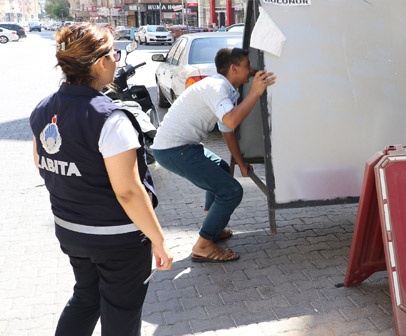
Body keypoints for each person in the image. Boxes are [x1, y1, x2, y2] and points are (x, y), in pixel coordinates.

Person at [29, 23, 173, 336]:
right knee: (121, 310)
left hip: (71, 231)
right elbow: (129, 193)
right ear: (99, 63)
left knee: (85, 298)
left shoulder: (42, 109)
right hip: (117, 238)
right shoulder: (109, 118)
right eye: (114, 54)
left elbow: (42, 163)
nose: (118, 60)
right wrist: (158, 240)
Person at [151, 47, 276, 263]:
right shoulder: (217, 86)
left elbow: (227, 132)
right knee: (231, 190)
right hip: (173, 149)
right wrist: (256, 92)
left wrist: (240, 163)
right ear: (234, 68)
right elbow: (231, 121)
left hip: (181, 146)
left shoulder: (226, 90)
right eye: (247, 66)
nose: (252, 71)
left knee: (220, 168)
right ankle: (203, 245)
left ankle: (213, 226)